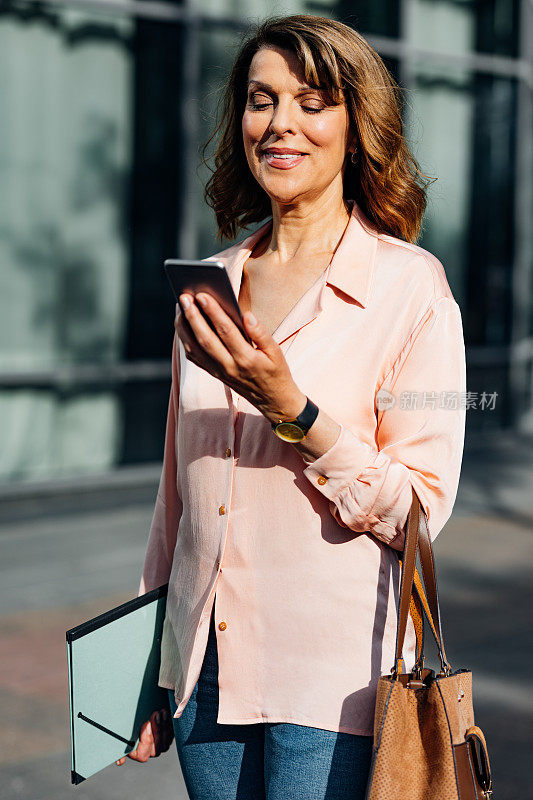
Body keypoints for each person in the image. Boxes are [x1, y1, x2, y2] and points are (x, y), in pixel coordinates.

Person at [115, 13, 466, 800]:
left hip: (331, 682)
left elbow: (418, 511)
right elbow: (175, 499)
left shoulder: (412, 291)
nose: (279, 124)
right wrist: (145, 664)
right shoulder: (208, 284)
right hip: (205, 670)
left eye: (312, 102)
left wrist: (295, 413)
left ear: (356, 125)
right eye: (260, 98)